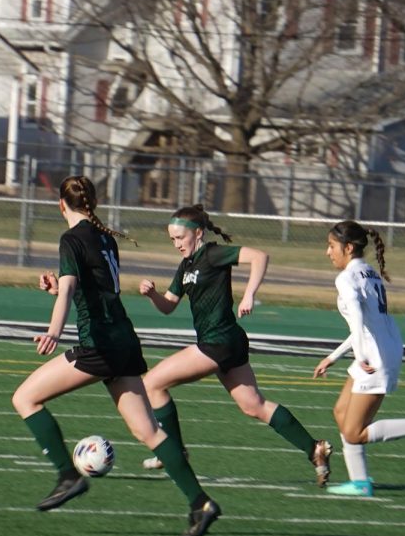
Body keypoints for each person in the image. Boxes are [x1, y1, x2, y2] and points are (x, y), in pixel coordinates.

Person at [11, 176, 222, 536]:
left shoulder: (71, 238)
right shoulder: (104, 237)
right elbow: (92, 292)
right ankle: (200, 502)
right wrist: (56, 288)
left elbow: (72, 293)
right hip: (124, 340)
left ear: (62, 205)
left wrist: (53, 330)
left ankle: (66, 475)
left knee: (24, 398)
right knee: (147, 430)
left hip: (100, 345)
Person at [137, 204, 333, 485]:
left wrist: (249, 294)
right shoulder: (186, 266)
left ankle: (173, 452)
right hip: (225, 341)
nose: (177, 244)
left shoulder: (213, 254)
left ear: (198, 233)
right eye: (172, 239)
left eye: (180, 237)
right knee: (254, 405)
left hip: (219, 341)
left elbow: (260, 257)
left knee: (152, 383)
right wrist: (153, 295)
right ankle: (314, 448)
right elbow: (168, 306)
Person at [313, 220, 405, 496]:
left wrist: (359, 357)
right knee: (341, 413)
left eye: (331, 246)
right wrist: (333, 357)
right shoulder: (369, 272)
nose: (328, 252)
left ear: (348, 248)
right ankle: (360, 482)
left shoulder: (346, 278)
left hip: (374, 356)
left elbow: (358, 321)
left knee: (354, 432)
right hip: (378, 349)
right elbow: (365, 326)